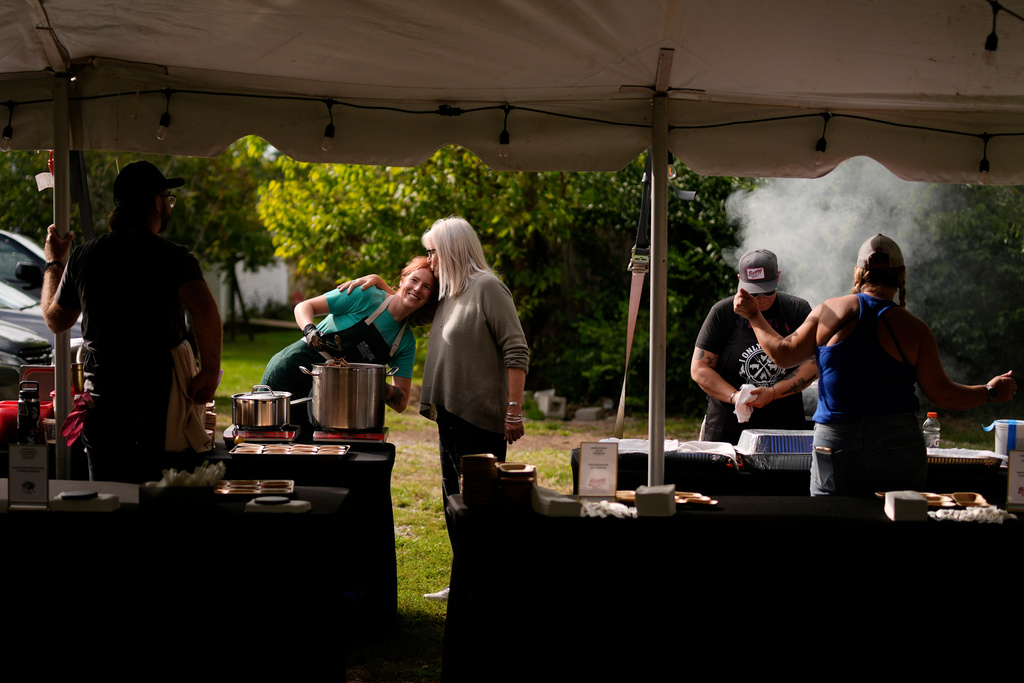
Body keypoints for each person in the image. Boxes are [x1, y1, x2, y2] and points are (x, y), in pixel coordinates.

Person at [734, 233, 1017, 496]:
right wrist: (990, 391)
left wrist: (755, 317)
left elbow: (783, 355)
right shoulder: (915, 329)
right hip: (899, 445)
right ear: (900, 275)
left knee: (833, 519)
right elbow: (943, 395)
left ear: (859, 274)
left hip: (837, 443)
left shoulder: (830, 312)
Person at [340, 216, 530, 602]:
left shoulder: (488, 288)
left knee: (478, 504)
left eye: (434, 252)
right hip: (450, 416)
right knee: (453, 501)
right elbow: (408, 298)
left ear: (453, 250)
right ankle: (464, 579)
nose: (430, 260)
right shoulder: (451, 292)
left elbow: (517, 350)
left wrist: (514, 410)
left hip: (479, 417)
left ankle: (487, 586)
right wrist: (379, 283)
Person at [41, 160, 222, 483]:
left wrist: (54, 263)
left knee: (109, 500)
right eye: (169, 197)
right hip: (157, 408)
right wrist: (208, 371)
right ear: (156, 201)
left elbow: (56, 320)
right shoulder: (173, 257)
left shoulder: (84, 255)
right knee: (158, 497)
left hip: (103, 407)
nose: (169, 205)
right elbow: (205, 312)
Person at [261, 257, 437, 440]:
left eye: (426, 287)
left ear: (429, 298)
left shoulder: (405, 343)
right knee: (269, 447)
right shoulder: (365, 295)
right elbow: (305, 306)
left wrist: (373, 382)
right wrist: (310, 330)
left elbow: (401, 403)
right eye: (414, 280)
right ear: (402, 280)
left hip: (329, 404)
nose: (417, 289)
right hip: (288, 376)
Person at [691, 248, 817, 445]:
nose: (761, 299)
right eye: (754, 292)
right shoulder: (722, 312)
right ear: (740, 280)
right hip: (727, 429)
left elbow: (813, 364)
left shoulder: (796, 310)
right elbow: (699, 368)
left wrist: (774, 392)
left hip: (784, 426)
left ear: (778, 277)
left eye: (768, 291)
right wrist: (735, 397)